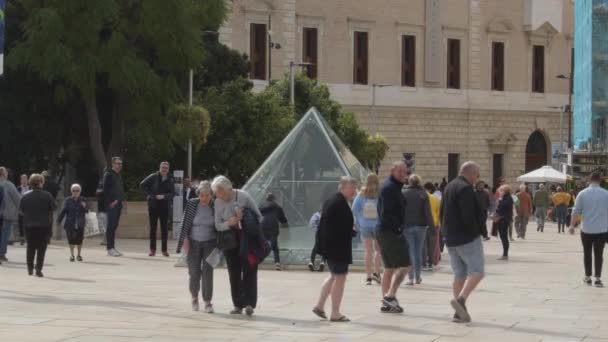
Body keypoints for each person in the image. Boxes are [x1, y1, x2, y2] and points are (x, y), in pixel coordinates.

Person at [440, 161, 485, 323]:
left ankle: (459, 313)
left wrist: (444, 233)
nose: (478, 178)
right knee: (477, 271)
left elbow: (442, 212)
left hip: (451, 237)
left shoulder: (449, 186)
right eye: (477, 174)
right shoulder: (466, 188)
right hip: (466, 237)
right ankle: (460, 300)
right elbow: (468, 215)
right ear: (469, 173)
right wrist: (475, 232)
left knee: (459, 274)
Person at [212, 175, 263, 316]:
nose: (218, 196)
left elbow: (259, 216)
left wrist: (245, 217)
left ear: (227, 189)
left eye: (219, 192)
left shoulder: (243, 196)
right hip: (229, 240)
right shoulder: (217, 202)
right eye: (216, 193)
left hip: (246, 239)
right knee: (233, 273)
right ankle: (237, 305)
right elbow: (217, 225)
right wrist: (229, 223)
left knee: (250, 270)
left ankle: (249, 304)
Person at [312, 177, 358, 322]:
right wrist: (350, 232)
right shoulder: (338, 203)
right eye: (352, 187)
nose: (354, 191)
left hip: (332, 247)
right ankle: (335, 313)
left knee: (334, 276)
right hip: (337, 248)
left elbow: (331, 226)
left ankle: (319, 306)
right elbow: (334, 228)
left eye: (354, 188)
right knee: (340, 278)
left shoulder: (334, 201)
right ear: (343, 187)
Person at [176, 181, 217, 313]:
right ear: (198, 194)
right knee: (194, 272)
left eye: (207, 195)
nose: (205, 198)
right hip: (193, 242)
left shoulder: (215, 205)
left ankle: (207, 301)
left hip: (210, 242)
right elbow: (184, 222)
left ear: (211, 195)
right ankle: (194, 297)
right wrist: (185, 239)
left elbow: (220, 223)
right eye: (202, 195)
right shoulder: (192, 204)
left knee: (208, 272)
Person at [376, 161, 411, 314]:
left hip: (384, 231)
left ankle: (386, 301)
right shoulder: (390, 188)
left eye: (405, 171)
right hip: (390, 232)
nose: (403, 174)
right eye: (400, 171)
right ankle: (390, 296)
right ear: (392, 171)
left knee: (389, 268)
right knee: (405, 265)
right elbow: (386, 213)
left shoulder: (393, 187)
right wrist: (397, 229)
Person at [570, 172, 608, 287]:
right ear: (600, 180)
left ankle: (587, 277)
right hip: (602, 229)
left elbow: (575, 210)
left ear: (589, 180)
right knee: (599, 253)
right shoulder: (606, 194)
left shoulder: (582, 193)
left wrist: (572, 225)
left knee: (587, 252)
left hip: (586, 229)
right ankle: (597, 278)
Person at [19, 174, 56, 277]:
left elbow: (21, 211)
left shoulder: (25, 196)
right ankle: (38, 269)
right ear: (41, 183)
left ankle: (30, 268)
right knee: (41, 249)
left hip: (29, 226)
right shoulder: (47, 195)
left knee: (30, 247)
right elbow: (53, 209)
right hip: (43, 226)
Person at [402, 174, 434, 286]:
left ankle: (410, 278)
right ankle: (418, 277)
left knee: (410, 251)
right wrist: (432, 228)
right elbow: (427, 212)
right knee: (418, 251)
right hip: (421, 226)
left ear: (409, 182)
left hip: (407, 226)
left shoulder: (404, 193)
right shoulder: (423, 194)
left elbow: (400, 211)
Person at [140, 161, 176, 257]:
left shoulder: (170, 180)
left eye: (166, 168)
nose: (164, 169)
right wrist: (149, 196)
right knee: (153, 228)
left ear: (168, 169)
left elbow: (173, 194)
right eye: (163, 167)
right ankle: (153, 250)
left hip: (164, 207)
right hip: (153, 206)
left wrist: (164, 196)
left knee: (164, 229)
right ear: (159, 168)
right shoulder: (153, 176)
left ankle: (164, 250)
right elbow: (142, 184)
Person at [352, 174, 382, 285]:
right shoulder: (380, 195)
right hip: (378, 225)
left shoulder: (361, 195)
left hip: (365, 225)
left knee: (368, 251)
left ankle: (368, 277)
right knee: (378, 251)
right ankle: (377, 273)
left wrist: (360, 220)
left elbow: (354, 210)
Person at [57, 184, 88, 262]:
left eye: (77, 190)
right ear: (71, 191)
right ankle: (72, 255)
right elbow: (64, 210)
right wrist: (59, 220)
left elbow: (88, 211)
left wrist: (85, 207)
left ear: (80, 191)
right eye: (73, 191)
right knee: (71, 240)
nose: (75, 192)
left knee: (79, 240)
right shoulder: (68, 200)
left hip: (80, 223)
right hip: (70, 223)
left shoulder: (83, 199)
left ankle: (79, 255)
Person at [259, 193, 289, 271]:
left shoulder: (262, 206)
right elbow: (283, 219)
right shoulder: (277, 207)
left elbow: (257, 214)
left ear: (267, 199)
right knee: (275, 246)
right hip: (273, 228)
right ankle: (277, 263)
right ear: (274, 199)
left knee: (261, 245)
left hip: (263, 227)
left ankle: (257, 260)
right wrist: (285, 223)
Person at [103, 157, 125, 257]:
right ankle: (109, 249)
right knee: (110, 226)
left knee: (114, 226)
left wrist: (120, 200)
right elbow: (105, 190)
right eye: (117, 163)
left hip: (118, 204)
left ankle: (113, 247)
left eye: (120, 164)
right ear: (113, 164)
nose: (119, 165)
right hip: (112, 204)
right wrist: (111, 201)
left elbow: (120, 189)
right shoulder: (108, 174)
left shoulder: (118, 175)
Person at [0, 167, 22, 262]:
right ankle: (1, 254)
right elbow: (18, 199)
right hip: (6, 213)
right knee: (4, 234)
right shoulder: (8, 185)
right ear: (5, 174)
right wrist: (22, 210)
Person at [423, 182, 441, 271]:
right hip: (434, 224)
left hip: (423, 223)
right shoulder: (435, 198)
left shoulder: (421, 198)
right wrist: (438, 223)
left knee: (424, 244)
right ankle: (430, 262)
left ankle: (424, 263)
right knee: (432, 245)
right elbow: (439, 212)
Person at [495, 185, 514, 260]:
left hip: (504, 219)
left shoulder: (508, 198)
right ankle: (505, 254)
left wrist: (499, 201)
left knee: (504, 237)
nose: (499, 192)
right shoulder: (505, 198)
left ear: (504, 191)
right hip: (502, 219)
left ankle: (505, 255)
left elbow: (502, 207)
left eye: (501, 191)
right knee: (503, 237)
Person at [16, 174, 29, 246]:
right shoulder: (18, 188)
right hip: (21, 208)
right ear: (21, 181)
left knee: (28, 223)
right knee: (20, 223)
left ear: (27, 180)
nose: (24, 181)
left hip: (29, 209)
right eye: (22, 179)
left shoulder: (30, 188)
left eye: (25, 179)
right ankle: (22, 238)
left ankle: (27, 238)